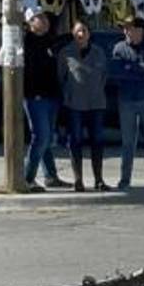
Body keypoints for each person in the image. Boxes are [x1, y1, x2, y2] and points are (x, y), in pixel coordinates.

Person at [111, 16, 144, 189]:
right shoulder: (119, 48)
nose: (126, 31)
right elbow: (117, 73)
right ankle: (124, 179)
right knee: (127, 143)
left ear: (140, 30)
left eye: (130, 28)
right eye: (125, 29)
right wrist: (142, 71)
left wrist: (134, 67)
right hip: (126, 101)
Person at [22, 7, 71, 192]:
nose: (44, 20)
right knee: (40, 137)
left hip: (52, 95)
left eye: (45, 17)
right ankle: (27, 178)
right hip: (35, 96)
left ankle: (51, 177)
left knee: (48, 138)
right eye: (39, 17)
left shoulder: (51, 41)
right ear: (30, 22)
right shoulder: (25, 42)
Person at [58, 21, 110, 192]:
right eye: (78, 31)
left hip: (96, 103)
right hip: (75, 105)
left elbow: (104, 76)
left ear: (89, 33)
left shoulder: (99, 52)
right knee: (76, 141)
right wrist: (69, 95)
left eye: (84, 30)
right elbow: (61, 78)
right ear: (73, 33)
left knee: (97, 141)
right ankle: (78, 180)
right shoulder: (66, 53)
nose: (82, 34)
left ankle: (99, 180)